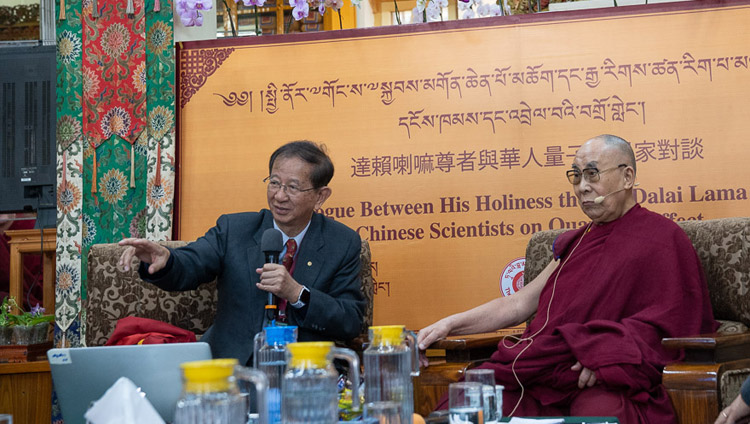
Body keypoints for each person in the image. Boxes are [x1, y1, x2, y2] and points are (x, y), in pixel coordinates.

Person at [417, 134, 718, 424]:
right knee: (468, 405)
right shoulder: (576, 242)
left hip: (605, 379)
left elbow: (675, 325)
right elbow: (519, 304)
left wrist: (606, 355)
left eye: (592, 174)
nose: (582, 187)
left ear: (627, 178)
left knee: (599, 413)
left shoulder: (663, 239)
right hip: (540, 373)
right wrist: (448, 324)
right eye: (576, 176)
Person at [118, 141, 366, 364]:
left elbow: (349, 320)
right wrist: (167, 259)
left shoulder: (341, 242)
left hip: (302, 372)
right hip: (234, 367)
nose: (279, 196)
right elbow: (193, 261)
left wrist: (297, 293)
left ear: (320, 196)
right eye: (274, 183)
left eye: (292, 188)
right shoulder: (234, 230)